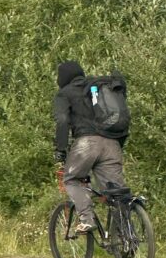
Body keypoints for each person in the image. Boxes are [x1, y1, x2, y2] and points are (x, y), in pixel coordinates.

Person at [53, 60, 129, 233]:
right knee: (115, 193)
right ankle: (125, 238)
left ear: (62, 78)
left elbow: (62, 120)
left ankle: (87, 219)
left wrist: (61, 149)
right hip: (112, 143)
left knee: (71, 179)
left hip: (87, 144)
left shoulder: (64, 93)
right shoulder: (97, 88)